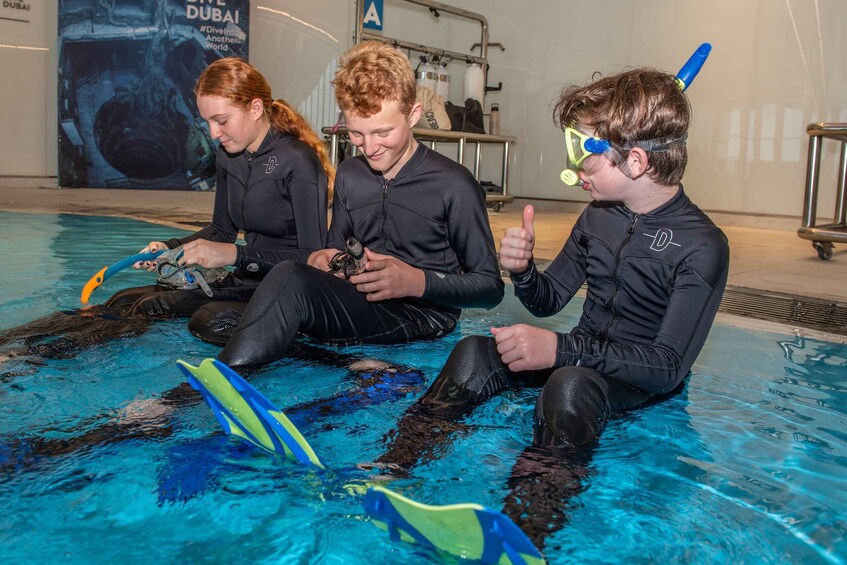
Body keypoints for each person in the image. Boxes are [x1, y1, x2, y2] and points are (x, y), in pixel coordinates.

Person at [375, 66, 730, 548]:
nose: (575, 170)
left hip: (631, 380)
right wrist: (522, 270)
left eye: (584, 155)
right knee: (477, 352)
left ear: (638, 161)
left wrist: (563, 352)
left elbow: (667, 367)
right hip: (577, 356)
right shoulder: (597, 216)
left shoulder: (702, 245)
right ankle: (392, 468)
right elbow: (547, 301)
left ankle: (524, 529)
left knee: (570, 383)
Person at [0, 57, 333, 364]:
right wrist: (169, 249)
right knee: (122, 299)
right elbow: (220, 231)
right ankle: (11, 344)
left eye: (221, 121)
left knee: (163, 309)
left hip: (280, 288)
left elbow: (312, 259)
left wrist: (234, 255)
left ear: (256, 108)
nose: (213, 133)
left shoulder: (298, 161)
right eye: (208, 122)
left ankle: (35, 361)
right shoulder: (228, 156)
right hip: (243, 276)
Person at [212, 41, 504, 368]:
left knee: (288, 279)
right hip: (362, 302)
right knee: (212, 320)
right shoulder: (351, 173)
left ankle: (219, 380)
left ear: (413, 114)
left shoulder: (455, 184)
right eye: (356, 134)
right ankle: (352, 364)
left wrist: (416, 281)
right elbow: (335, 248)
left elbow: (490, 287)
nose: (370, 146)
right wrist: (329, 260)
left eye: (382, 132)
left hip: (423, 314)